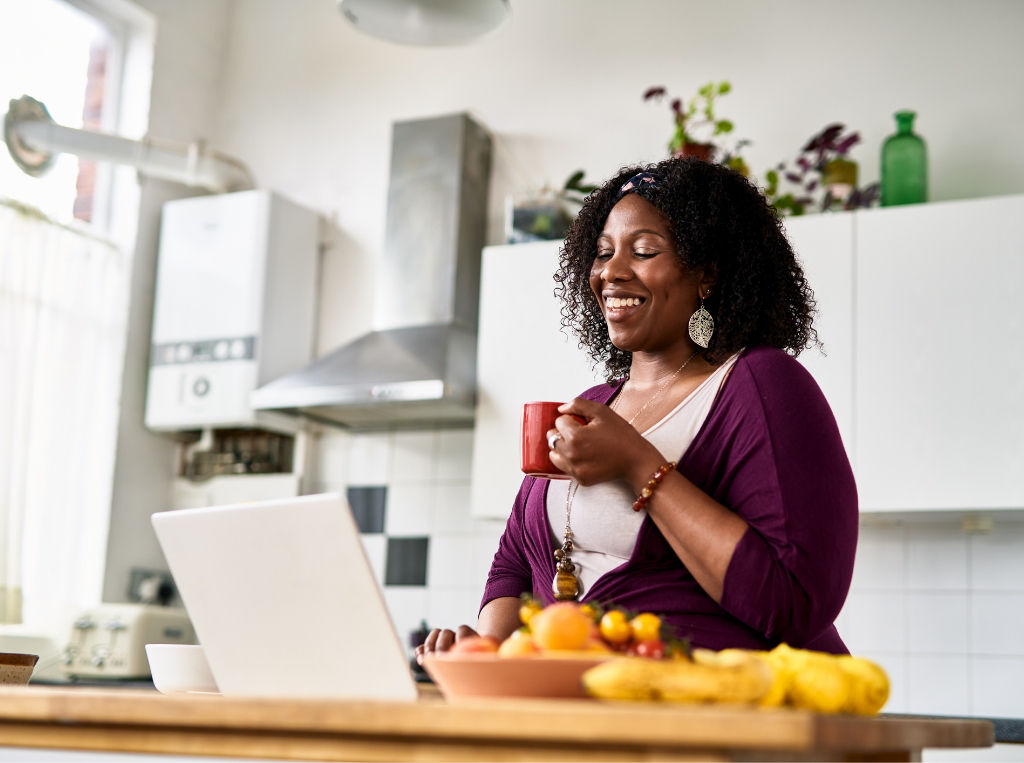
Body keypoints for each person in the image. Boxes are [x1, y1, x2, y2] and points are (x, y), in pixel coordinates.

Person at [416, 156, 858, 662]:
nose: (611, 273)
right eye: (603, 253)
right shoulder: (596, 404)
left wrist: (638, 463)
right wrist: (489, 649)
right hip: (588, 709)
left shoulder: (760, 384)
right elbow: (516, 560)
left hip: (727, 714)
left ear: (706, 274)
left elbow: (794, 600)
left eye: (644, 251)